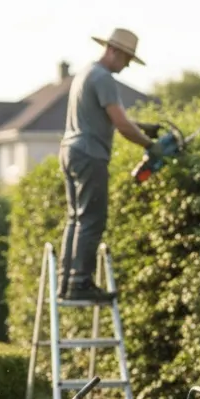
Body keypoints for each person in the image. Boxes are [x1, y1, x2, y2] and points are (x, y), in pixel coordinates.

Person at [57, 27, 171, 302]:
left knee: (76, 218)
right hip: (90, 154)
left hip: (69, 151)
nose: (127, 66)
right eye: (127, 59)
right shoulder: (104, 77)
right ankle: (81, 283)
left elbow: (106, 117)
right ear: (114, 51)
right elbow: (121, 124)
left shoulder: (85, 73)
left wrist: (143, 127)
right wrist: (150, 145)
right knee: (93, 219)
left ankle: (67, 281)